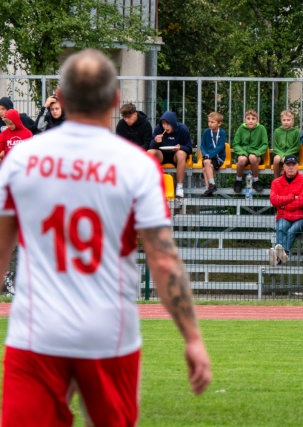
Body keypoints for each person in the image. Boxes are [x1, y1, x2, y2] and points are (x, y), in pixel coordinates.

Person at [0, 49, 210, 426]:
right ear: (115, 100)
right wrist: (192, 338)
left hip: (37, 331)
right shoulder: (137, 166)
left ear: (60, 98)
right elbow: (163, 259)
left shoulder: (22, 160)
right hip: (108, 332)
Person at [268, 155, 303, 265]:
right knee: (281, 228)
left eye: (293, 164)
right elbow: (273, 200)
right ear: (283, 167)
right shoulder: (276, 182)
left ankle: (279, 257)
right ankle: (282, 255)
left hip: (300, 216)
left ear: (298, 166)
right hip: (283, 216)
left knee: (292, 231)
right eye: (288, 165)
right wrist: (292, 197)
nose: (291, 167)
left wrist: (283, 205)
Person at [148, 111, 193, 198]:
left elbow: (189, 149)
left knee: (181, 154)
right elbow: (151, 147)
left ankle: (179, 187)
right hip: (162, 155)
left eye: (168, 124)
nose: (165, 127)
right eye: (163, 124)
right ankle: (151, 185)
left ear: (173, 123)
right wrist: (155, 141)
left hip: (176, 156)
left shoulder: (182, 129)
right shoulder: (159, 129)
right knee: (150, 153)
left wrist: (180, 147)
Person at [232, 109, 268, 194]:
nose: (251, 121)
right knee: (241, 160)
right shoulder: (241, 128)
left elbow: (265, 144)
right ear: (245, 120)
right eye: (248, 118)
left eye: (253, 119)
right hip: (243, 153)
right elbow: (235, 144)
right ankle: (238, 181)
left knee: (252, 157)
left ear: (257, 120)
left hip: (256, 155)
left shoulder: (261, 128)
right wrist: (242, 152)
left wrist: (257, 153)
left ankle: (256, 181)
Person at [200, 111, 227, 197]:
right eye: (209, 121)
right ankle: (211, 186)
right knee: (207, 165)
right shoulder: (206, 132)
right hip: (207, 156)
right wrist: (206, 154)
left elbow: (220, 147)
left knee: (206, 166)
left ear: (219, 123)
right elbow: (202, 146)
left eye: (212, 122)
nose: (210, 124)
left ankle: (209, 188)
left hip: (217, 157)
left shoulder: (222, 133)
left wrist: (209, 155)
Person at [272, 110, 300, 178]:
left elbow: (296, 147)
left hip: (292, 154)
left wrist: (286, 155)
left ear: (292, 121)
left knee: (289, 160)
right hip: (280, 153)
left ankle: (289, 180)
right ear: (281, 121)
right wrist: (282, 155)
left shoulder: (296, 131)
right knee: (276, 159)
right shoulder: (277, 131)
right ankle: (276, 180)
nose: (286, 122)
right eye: (284, 120)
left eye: (288, 120)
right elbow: (276, 147)